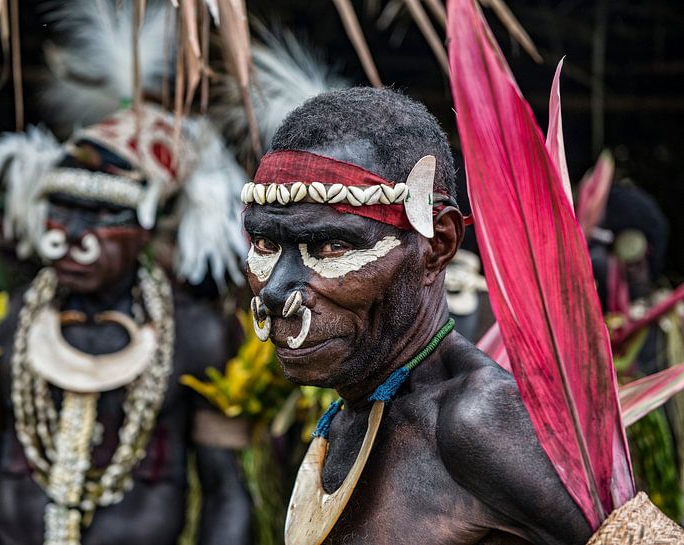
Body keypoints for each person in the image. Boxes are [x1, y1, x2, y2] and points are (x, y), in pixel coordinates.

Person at [0, 3, 252, 544]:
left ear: (147, 231)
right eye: (61, 208)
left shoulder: (196, 336)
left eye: (103, 216)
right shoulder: (1, 328)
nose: (69, 234)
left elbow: (224, 492)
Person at [242, 87, 592, 545]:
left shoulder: (476, 420)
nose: (273, 289)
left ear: (437, 246)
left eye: (332, 246)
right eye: (266, 245)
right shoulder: (361, 408)